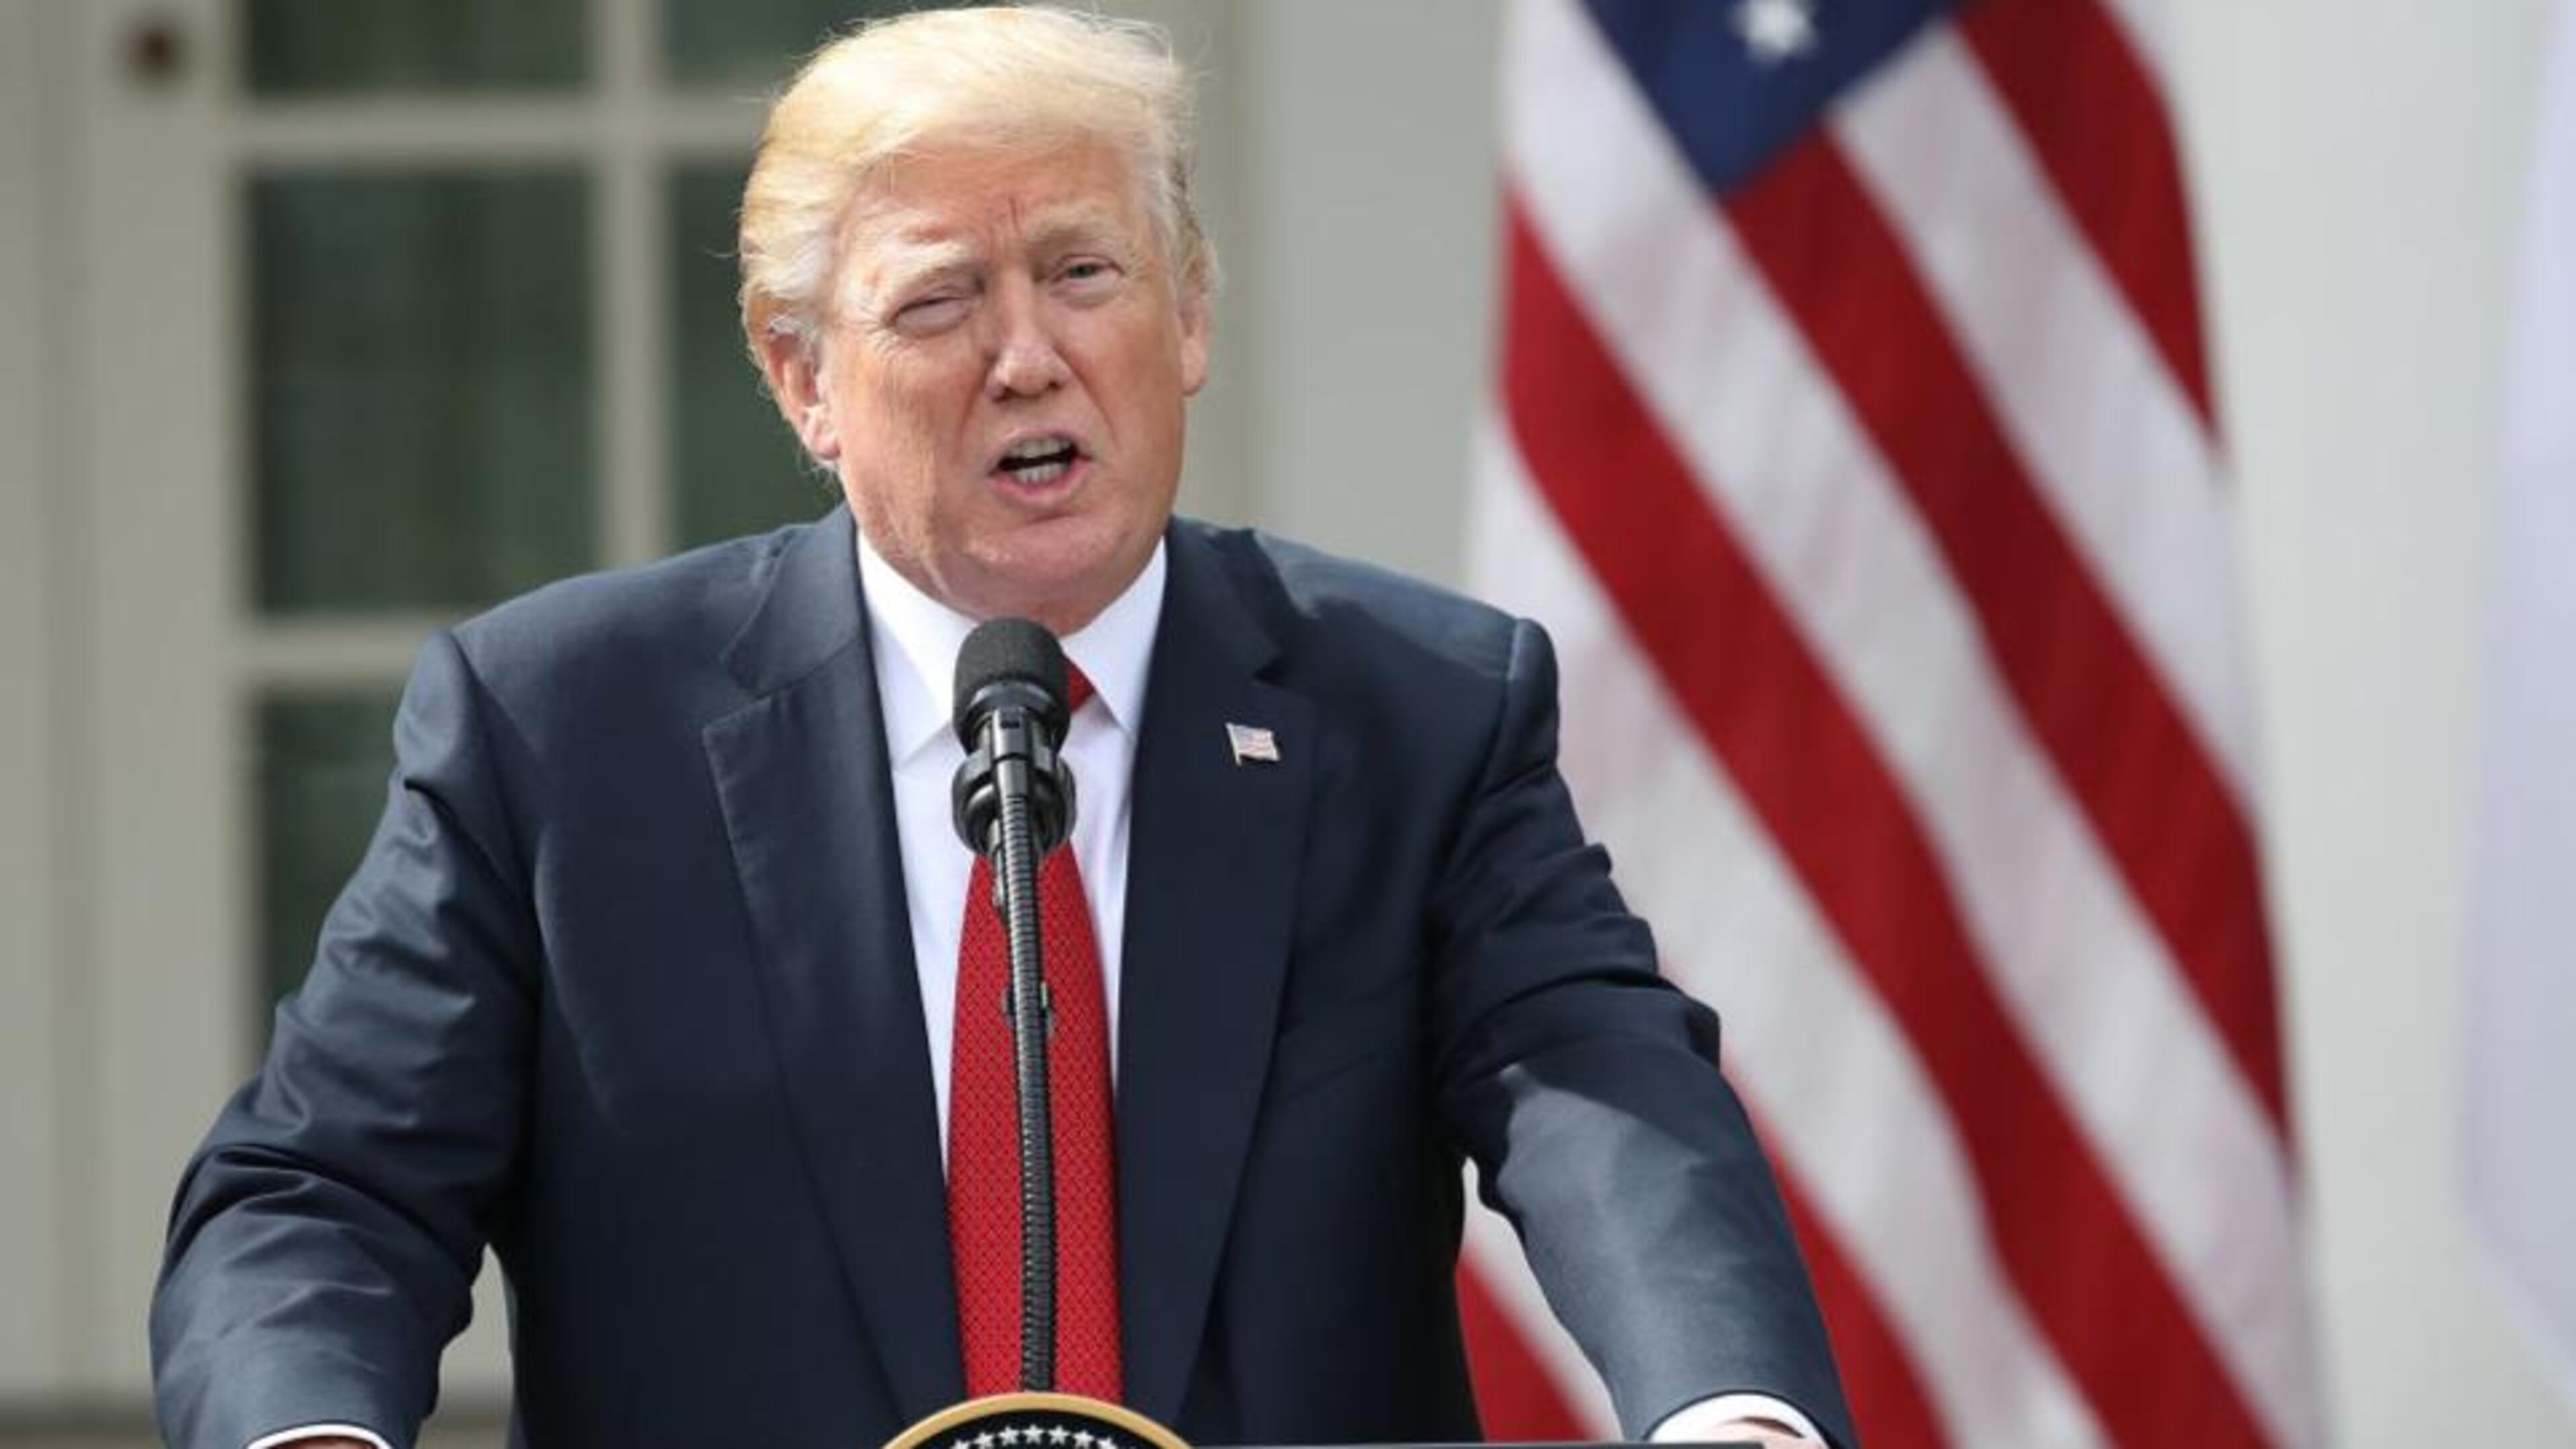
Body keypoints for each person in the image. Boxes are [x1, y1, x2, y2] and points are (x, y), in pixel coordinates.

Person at [150, 9, 1852, 1448]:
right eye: (940, 301)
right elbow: (322, 1194)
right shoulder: (560, 735)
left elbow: (1604, 1095)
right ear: (803, 380)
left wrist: (1725, 1411)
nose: (1028, 357)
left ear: (1190, 316)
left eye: (1084, 273)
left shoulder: (1416, 710)